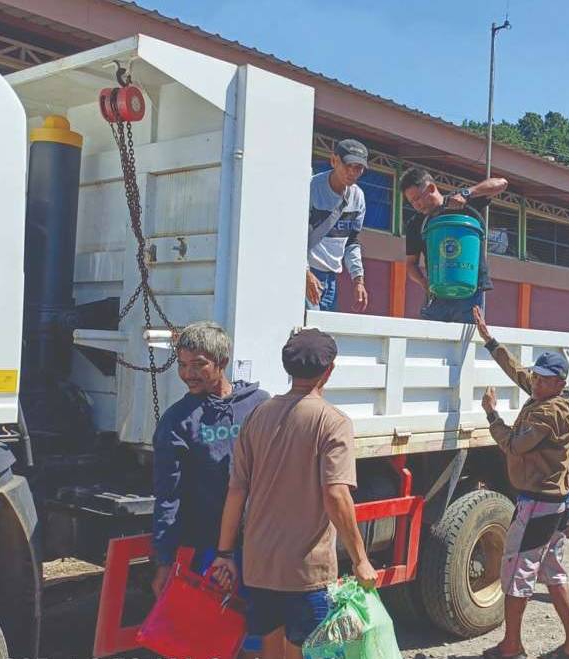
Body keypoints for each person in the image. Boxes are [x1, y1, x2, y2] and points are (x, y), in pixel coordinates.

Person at [211, 329, 376, 659]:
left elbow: (236, 492)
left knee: (270, 650)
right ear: (329, 370)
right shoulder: (332, 422)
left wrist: (225, 553)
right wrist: (360, 559)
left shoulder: (258, 415)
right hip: (306, 573)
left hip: (259, 566)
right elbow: (336, 496)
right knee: (307, 652)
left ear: (289, 369)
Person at [473, 307, 569, 659]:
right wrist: (490, 341)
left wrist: (492, 414)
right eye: (536, 377)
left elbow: (513, 444)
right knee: (552, 572)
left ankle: (511, 646)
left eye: (543, 379)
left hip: (538, 502)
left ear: (559, 383)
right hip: (556, 503)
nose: (535, 382)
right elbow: (519, 373)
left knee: (516, 573)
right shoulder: (552, 400)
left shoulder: (545, 413)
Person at [151, 322, 271, 590]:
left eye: (198, 364)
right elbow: (168, 497)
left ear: (223, 362)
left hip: (260, 546)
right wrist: (164, 562)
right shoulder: (177, 421)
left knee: (262, 629)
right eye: (182, 365)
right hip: (211, 553)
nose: (188, 373)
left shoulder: (258, 404)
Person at [401, 167, 507, 322]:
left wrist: (467, 193)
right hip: (438, 292)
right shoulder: (416, 224)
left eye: (418, 198)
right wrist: (424, 283)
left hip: (469, 291)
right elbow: (411, 264)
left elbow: (501, 183)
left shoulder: (461, 201)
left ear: (431, 188)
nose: (416, 205)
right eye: (412, 202)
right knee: (429, 340)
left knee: (465, 343)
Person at [306, 139, 369, 312]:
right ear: (334, 161)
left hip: (331, 277)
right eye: (348, 165)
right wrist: (304, 274)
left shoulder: (358, 197)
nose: (352, 172)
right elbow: (294, 237)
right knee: (308, 333)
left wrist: (358, 280)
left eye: (358, 168)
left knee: (324, 334)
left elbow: (351, 241)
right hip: (308, 274)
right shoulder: (310, 188)